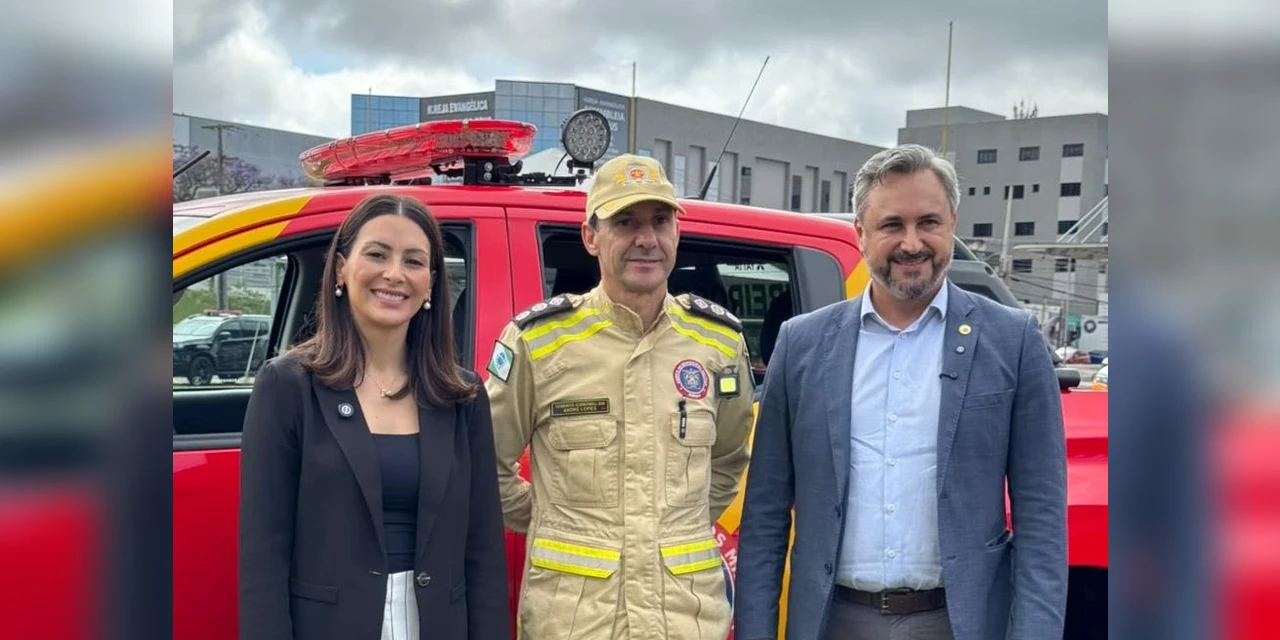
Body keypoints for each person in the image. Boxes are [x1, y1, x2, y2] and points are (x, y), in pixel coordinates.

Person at [733, 144, 1067, 640]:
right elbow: (764, 517)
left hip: (960, 623)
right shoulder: (801, 344)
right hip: (833, 621)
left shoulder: (1012, 341)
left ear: (952, 221)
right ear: (861, 233)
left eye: (928, 222)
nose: (912, 243)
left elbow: (1041, 519)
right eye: (892, 225)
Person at [485, 154, 756, 639]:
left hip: (684, 620)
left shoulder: (719, 344)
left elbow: (729, 460)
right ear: (591, 236)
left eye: (660, 221)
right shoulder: (538, 342)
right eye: (625, 222)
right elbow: (487, 463)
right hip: (574, 621)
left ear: (677, 232)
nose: (646, 239)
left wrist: (668, 529)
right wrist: (553, 520)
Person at [238, 194, 511, 640]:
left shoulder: (461, 395)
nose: (394, 274)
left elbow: (482, 554)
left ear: (431, 283)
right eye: (377, 254)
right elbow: (263, 561)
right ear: (342, 268)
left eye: (414, 261)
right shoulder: (288, 386)